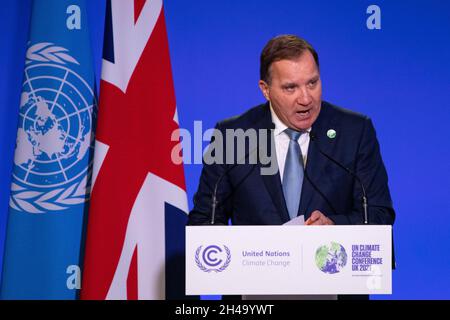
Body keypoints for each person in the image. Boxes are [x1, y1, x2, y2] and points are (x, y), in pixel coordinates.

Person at [188, 34, 395, 228]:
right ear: (265, 90)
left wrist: (334, 226)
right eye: (290, 88)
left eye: (312, 83)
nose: (306, 98)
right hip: (257, 266)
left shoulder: (354, 133)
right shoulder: (231, 137)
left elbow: (378, 215)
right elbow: (206, 220)